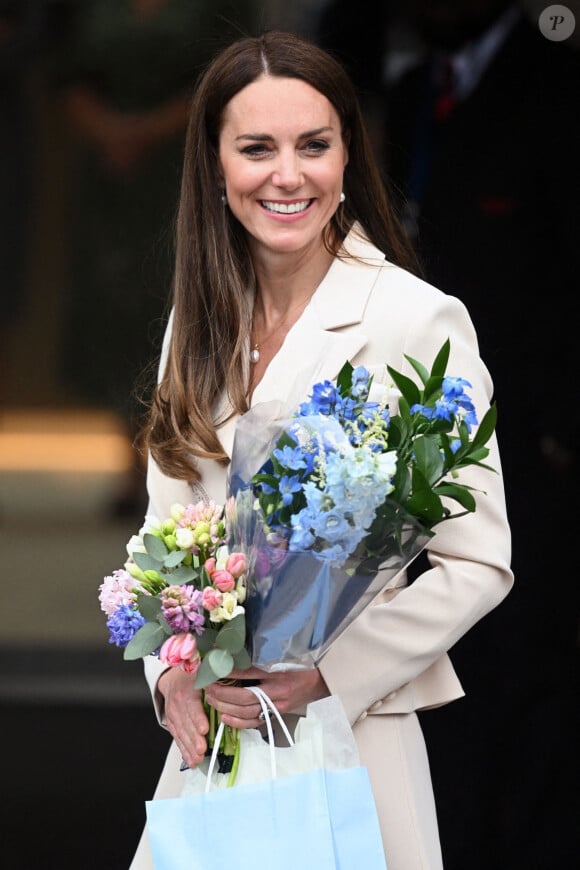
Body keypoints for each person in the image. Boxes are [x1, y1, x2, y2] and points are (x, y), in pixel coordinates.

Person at [129, 30, 513, 870]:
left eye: (314, 145)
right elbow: (162, 539)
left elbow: (479, 562)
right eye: (256, 148)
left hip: (353, 741)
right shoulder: (196, 322)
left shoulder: (414, 318)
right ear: (216, 167)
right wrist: (172, 671)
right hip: (212, 750)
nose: (288, 175)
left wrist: (330, 676)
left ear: (347, 156)